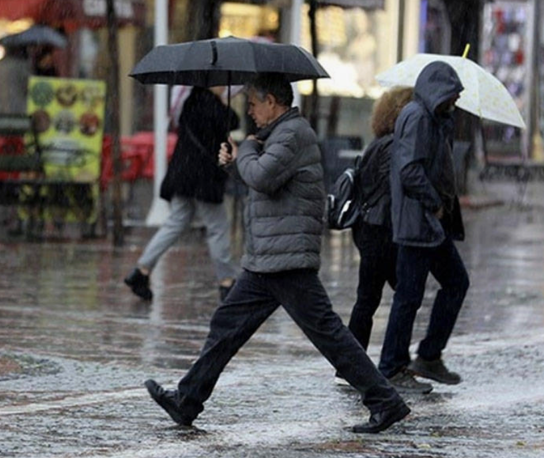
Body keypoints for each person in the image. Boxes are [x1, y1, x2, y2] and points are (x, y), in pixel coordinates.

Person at [144, 73, 410, 434]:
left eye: (253, 103)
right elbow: (262, 182)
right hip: (267, 256)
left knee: (328, 334)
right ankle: (187, 400)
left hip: (286, 256)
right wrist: (235, 162)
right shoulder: (276, 135)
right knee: (227, 325)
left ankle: (385, 401)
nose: (249, 111)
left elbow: (264, 176)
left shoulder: (293, 134)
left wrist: (246, 150)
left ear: (272, 101)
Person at [377, 61, 470, 393]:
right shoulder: (417, 117)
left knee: (455, 283)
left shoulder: (434, 118)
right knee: (409, 296)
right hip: (419, 221)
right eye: (452, 95)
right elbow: (409, 170)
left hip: (431, 224)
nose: (455, 102)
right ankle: (391, 366)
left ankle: (429, 355)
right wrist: (434, 201)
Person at [124, 86, 239, 302]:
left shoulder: (189, 102)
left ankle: (141, 269)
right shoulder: (212, 105)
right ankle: (227, 282)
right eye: (220, 83)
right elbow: (233, 121)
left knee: (175, 223)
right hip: (202, 178)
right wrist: (223, 103)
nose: (224, 86)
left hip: (182, 174)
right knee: (218, 227)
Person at [341, 86, 412, 366]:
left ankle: (351, 365)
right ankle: (389, 363)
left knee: (368, 300)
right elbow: (393, 188)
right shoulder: (394, 145)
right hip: (383, 231)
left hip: (370, 228)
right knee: (403, 296)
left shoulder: (379, 142)